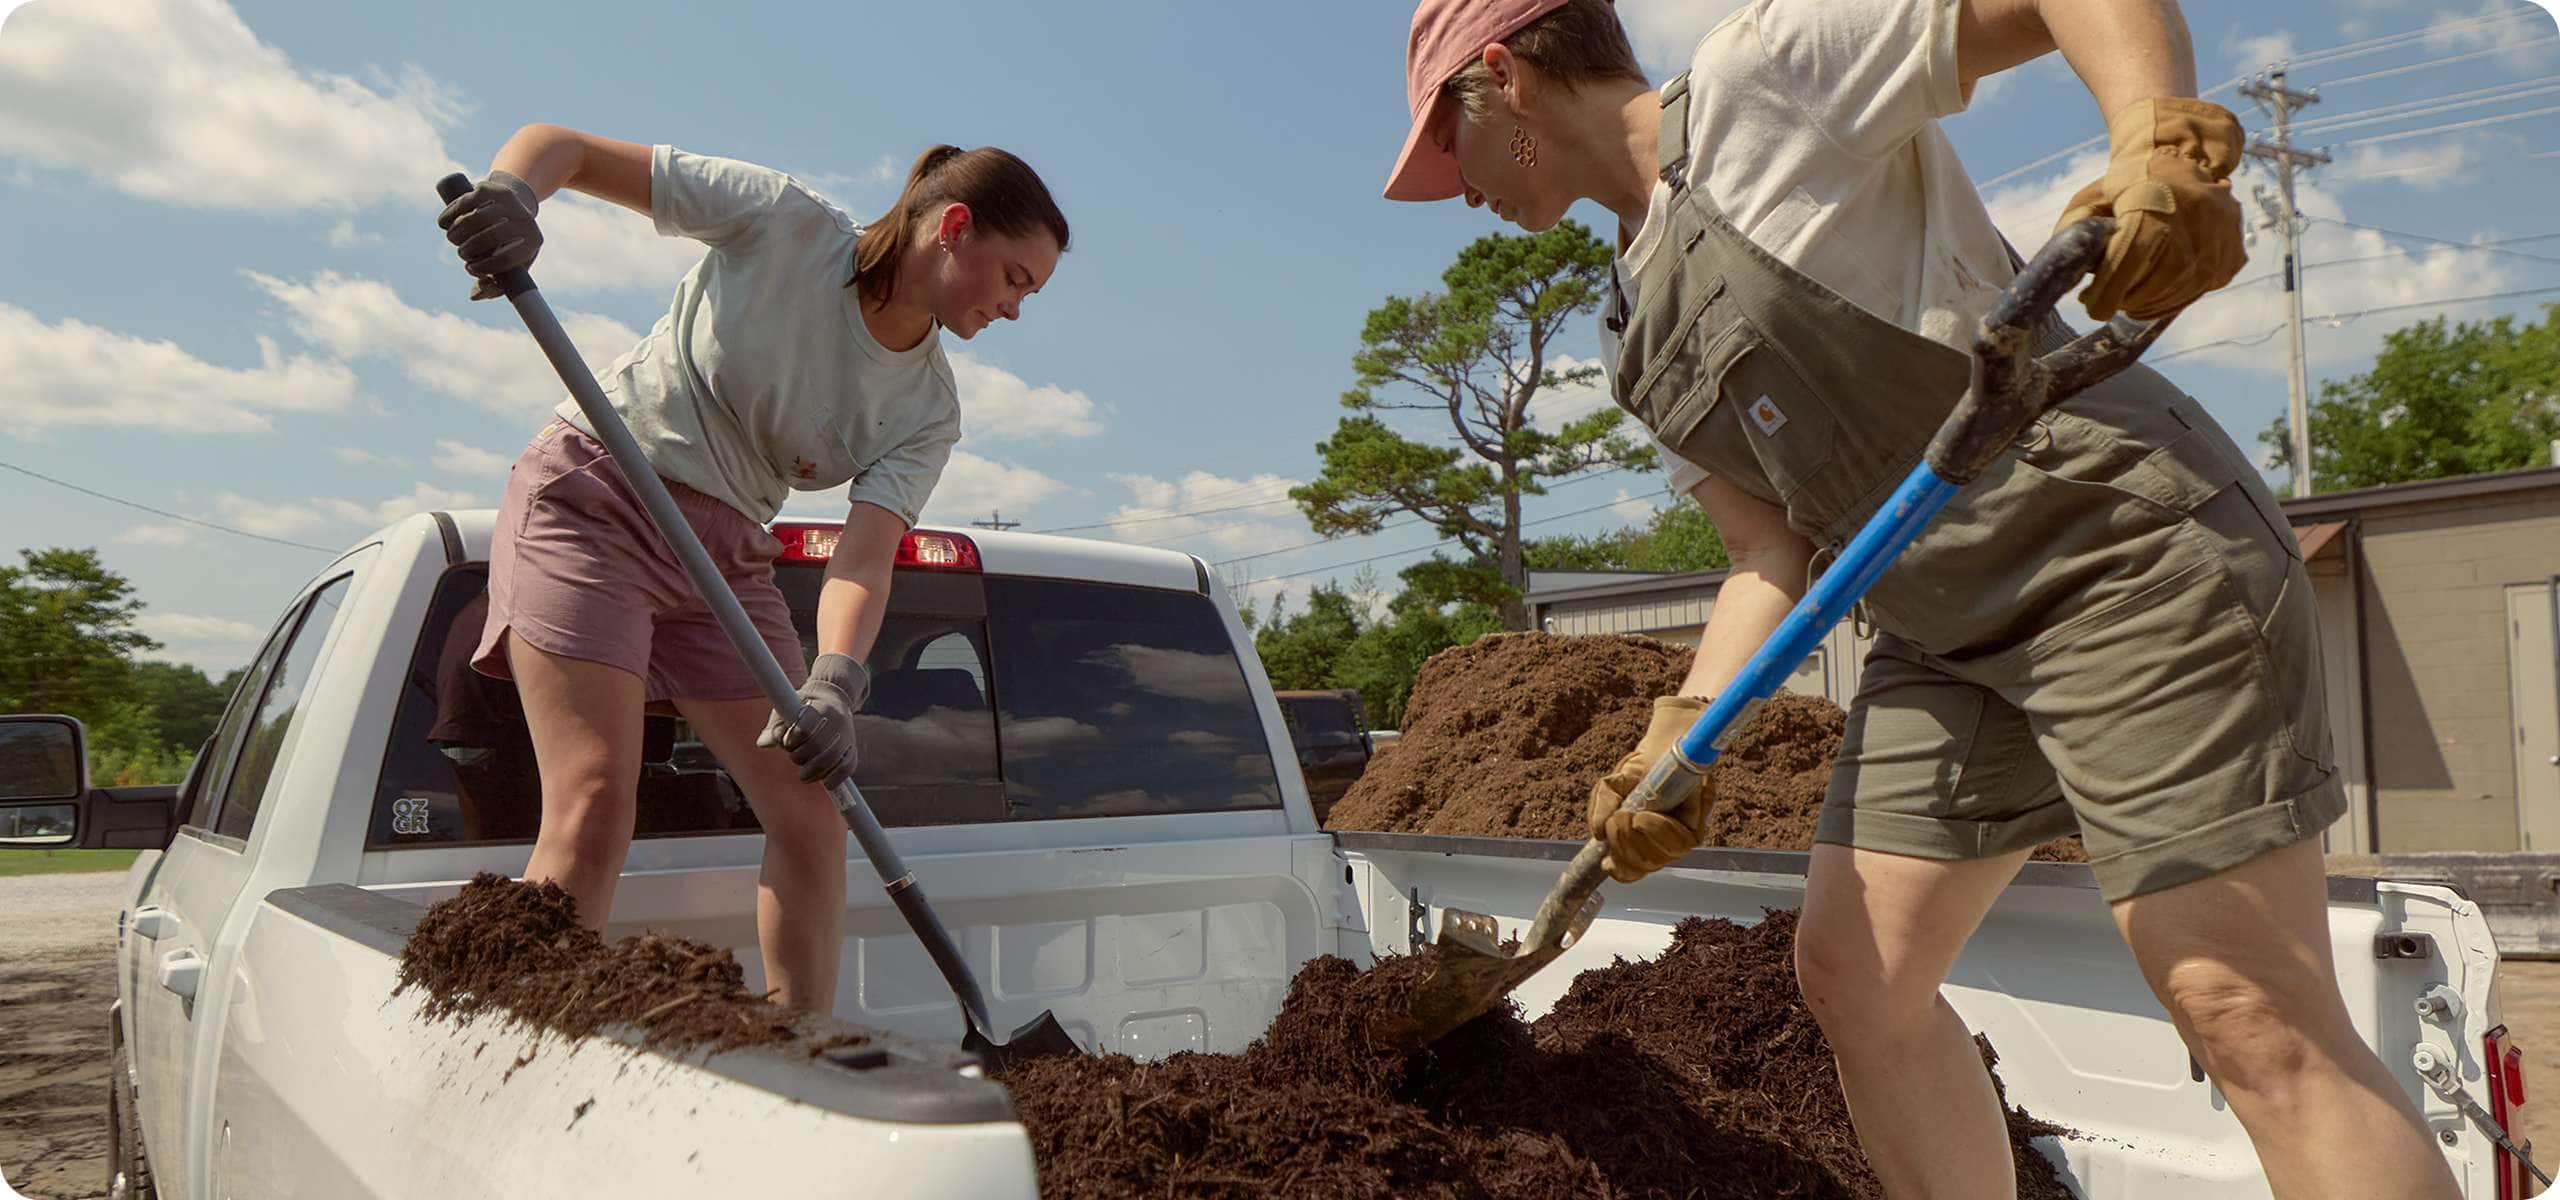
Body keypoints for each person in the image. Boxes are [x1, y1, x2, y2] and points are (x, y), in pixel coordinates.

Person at [1382, 1, 2457, 1195]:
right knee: (1853, 976)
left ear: (1501, 78)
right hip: (1942, 633)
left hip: (2116, 557)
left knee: (2244, 1010)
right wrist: (1670, 744)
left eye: (1442, 143)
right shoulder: (1631, 331)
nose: (1450, 187)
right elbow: (1766, 555)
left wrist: (2153, 141)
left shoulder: (1758, 82)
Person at [438, 125, 1068, 1014]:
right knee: (592, 802)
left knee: (814, 817)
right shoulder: (784, 224)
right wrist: (512, 196)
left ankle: (798, 1052)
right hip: (598, 499)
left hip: (725, 558)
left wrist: (834, 684)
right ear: (954, 227)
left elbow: (861, 558)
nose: (1013, 310)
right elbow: (561, 147)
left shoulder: (927, 407)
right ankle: (515, 1042)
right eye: (1016, 279)